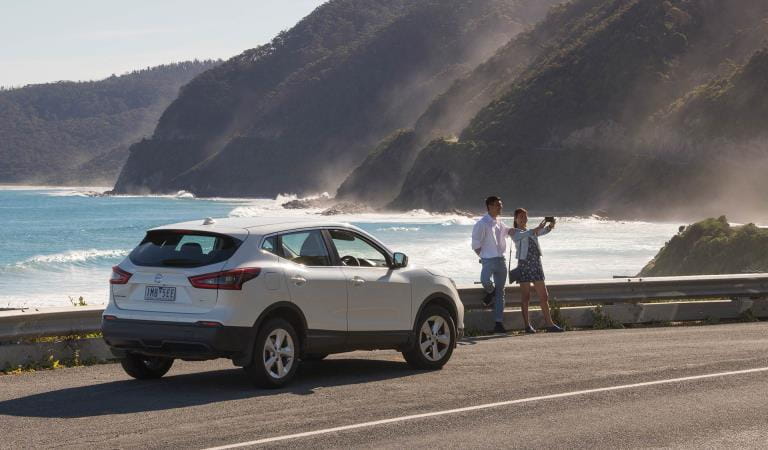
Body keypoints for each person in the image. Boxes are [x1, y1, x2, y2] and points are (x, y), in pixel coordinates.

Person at [511, 208, 564, 333]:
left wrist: (551, 224)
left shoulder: (532, 231)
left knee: (544, 296)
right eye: (521, 216)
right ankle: (527, 326)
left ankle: (549, 324)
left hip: (536, 264)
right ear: (516, 219)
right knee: (526, 297)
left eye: (525, 216)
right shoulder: (514, 232)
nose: (524, 218)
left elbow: (544, 231)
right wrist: (537, 228)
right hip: (524, 265)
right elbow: (524, 234)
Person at [471, 196, 515, 334]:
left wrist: (524, 230)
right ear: (489, 206)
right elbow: (475, 244)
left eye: (500, 205)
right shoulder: (481, 223)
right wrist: (483, 257)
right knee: (485, 281)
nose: (500, 207)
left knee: (501, 293)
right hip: (488, 260)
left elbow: (510, 231)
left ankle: (498, 323)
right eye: (497, 205)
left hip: (500, 260)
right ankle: (491, 292)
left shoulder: (500, 223)